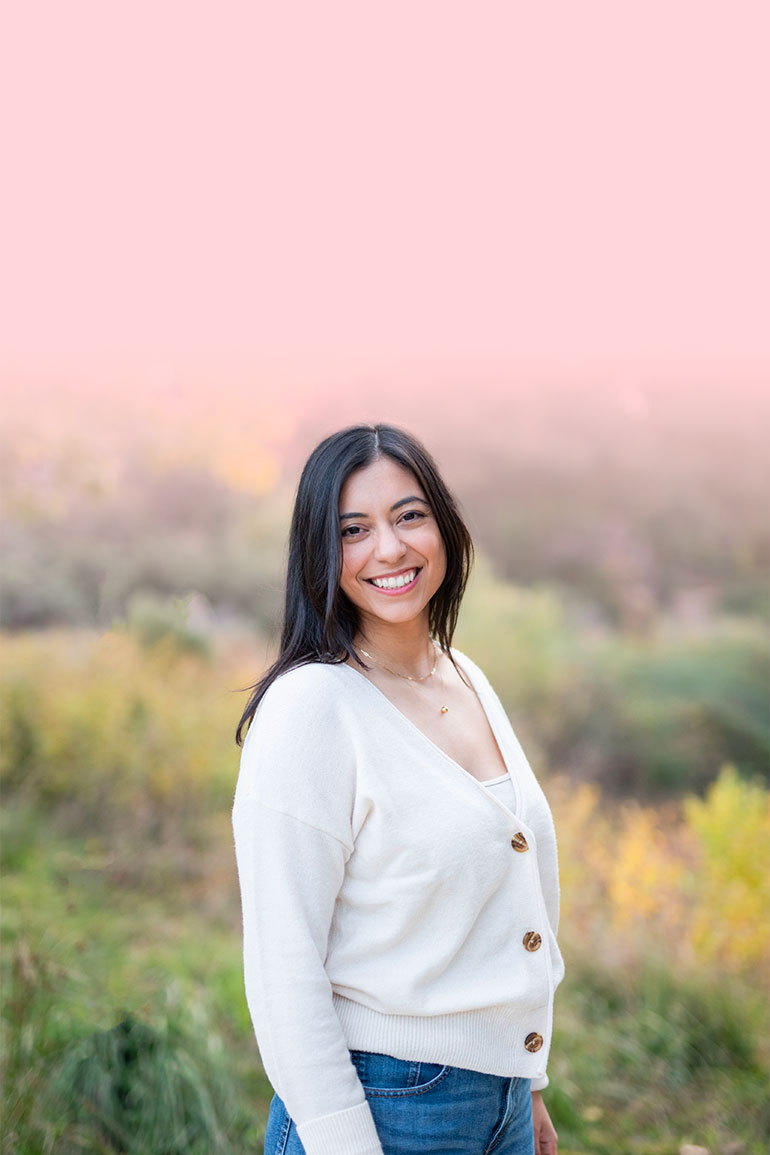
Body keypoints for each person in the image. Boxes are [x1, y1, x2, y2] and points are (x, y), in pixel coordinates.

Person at [232, 423, 564, 1155]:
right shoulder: (311, 708)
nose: (389, 548)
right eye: (354, 529)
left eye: (409, 515)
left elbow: (515, 889)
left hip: (500, 1098)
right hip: (385, 1109)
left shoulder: (464, 674)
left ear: (445, 525)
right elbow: (283, 969)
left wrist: (526, 1086)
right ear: (319, 552)